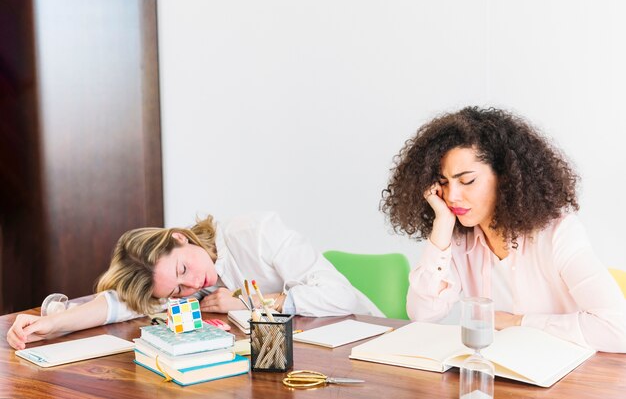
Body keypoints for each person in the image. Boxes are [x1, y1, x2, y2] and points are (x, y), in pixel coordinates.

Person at [381, 106, 626, 353]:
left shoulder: (558, 234)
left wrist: (518, 323)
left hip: (563, 376)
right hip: (499, 373)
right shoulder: (458, 238)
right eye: (444, 183)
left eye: (467, 181)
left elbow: (618, 329)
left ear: (505, 177)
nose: (452, 196)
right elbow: (422, 315)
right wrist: (441, 227)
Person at [7, 211, 381, 350]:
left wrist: (253, 302)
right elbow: (118, 304)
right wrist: (49, 324)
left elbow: (340, 297)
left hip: (364, 341)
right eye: (177, 289)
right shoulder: (181, 286)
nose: (193, 284)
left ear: (180, 237)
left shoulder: (256, 233)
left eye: (184, 270)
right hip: (298, 359)